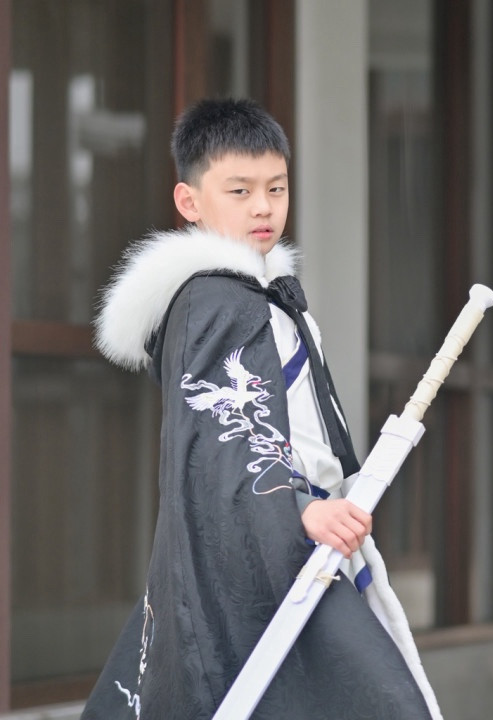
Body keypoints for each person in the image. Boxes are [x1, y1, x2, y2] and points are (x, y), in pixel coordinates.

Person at [81, 98, 442, 720]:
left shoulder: (250, 296)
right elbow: (222, 441)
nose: (263, 207)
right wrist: (301, 509)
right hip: (277, 544)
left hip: (289, 538)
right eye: (240, 190)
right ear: (189, 201)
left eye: (276, 188)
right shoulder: (217, 301)